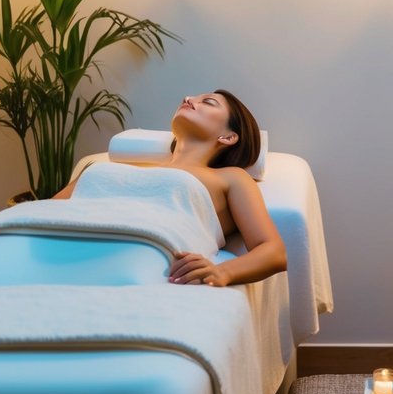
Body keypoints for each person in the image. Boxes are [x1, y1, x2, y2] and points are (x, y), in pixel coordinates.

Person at [55, 89, 287, 287]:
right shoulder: (108, 168)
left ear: (228, 137)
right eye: (191, 97)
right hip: (57, 252)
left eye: (208, 102)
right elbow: (44, 212)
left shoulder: (229, 178)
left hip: (133, 266)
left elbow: (273, 251)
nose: (188, 98)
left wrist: (223, 272)